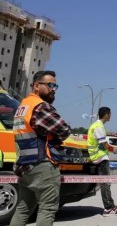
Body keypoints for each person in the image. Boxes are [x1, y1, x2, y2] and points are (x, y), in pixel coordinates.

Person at [11, 70, 71, 226]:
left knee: (23, 209)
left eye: (55, 85)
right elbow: (64, 129)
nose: (54, 89)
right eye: (50, 85)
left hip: (24, 166)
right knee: (48, 208)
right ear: (36, 86)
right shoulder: (40, 107)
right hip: (42, 165)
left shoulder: (23, 105)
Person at [87, 106, 117, 216]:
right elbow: (104, 144)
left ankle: (109, 206)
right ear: (106, 114)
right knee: (105, 183)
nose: (111, 116)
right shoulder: (98, 127)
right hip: (100, 158)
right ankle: (108, 207)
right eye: (110, 113)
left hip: (99, 157)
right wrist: (114, 149)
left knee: (105, 183)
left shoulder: (97, 126)